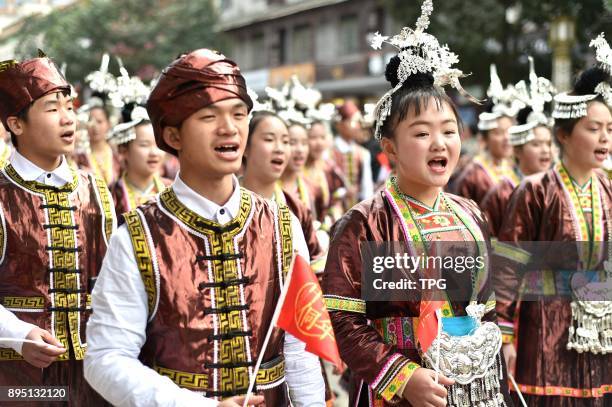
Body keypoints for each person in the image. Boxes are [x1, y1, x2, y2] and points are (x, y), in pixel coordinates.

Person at [84, 49, 325, 407]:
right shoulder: (139, 237)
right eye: (209, 116)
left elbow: (302, 346)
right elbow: (105, 357)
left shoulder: (281, 226)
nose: (229, 128)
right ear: (173, 135)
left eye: (239, 114)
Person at [322, 2, 511, 406]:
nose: (440, 143)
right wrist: (402, 376)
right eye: (422, 133)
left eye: (449, 130)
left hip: (472, 386)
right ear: (389, 146)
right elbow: (342, 317)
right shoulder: (363, 224)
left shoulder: (470, 213)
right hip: (396, 390)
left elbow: (486, 307)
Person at [495, 34, 612, 406]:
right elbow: (507, 265)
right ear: (564, 134)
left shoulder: (609, 189)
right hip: (544, 331)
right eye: (593, 128)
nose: (604, 137)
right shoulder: (535, 191)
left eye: (610, 128)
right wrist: (505, 337)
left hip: (602, 330)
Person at [0, 52, 116, 406]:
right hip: (17, 378)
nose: (68, 118)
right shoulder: (3, 196)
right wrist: (17, 334)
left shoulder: (95, 191)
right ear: (16, 125)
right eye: (52, 108)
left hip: (91, 376)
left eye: (69, 106)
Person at [242, 110, 326, 274]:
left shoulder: (296, 209)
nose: (280, 148)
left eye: (285, 141)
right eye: (269, 139)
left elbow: (316, 269)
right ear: (245, 146)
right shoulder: (225, 203)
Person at [482, 57, 555, 237]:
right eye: (536, 144)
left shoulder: (556, 190)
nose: (546, 150)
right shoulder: (501, 192)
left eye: (549, 144)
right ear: (517, 150)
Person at [453, 65, 521, 206]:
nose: (506, 138)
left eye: (509, 131)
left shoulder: (512, 169)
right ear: (484, 139)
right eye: (498, 133)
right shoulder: (472, 175)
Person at [107, 73, 169, 215]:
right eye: (144, 144)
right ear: (124, 150)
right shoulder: (110, 197)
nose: (154, 152)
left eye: (158, 144)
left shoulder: (174, 191)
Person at [75, 55, 122, 186]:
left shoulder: (118, 156)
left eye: (100, 121)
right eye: (91, 121)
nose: (94, 126)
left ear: (108, 123)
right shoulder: (79, 157)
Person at [333, 100, 374, 209]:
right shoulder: (328, 152)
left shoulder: (363, 153)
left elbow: (367, 188)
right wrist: (342, 193)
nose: (357, 127)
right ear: (340, 124)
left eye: (358, 123)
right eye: (353, 122)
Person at [304, 119, 346, 226]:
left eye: (322, 137)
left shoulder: (329, 168)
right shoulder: (295, 170)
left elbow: (336, 201)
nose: (319, 143)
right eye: (313, 137)